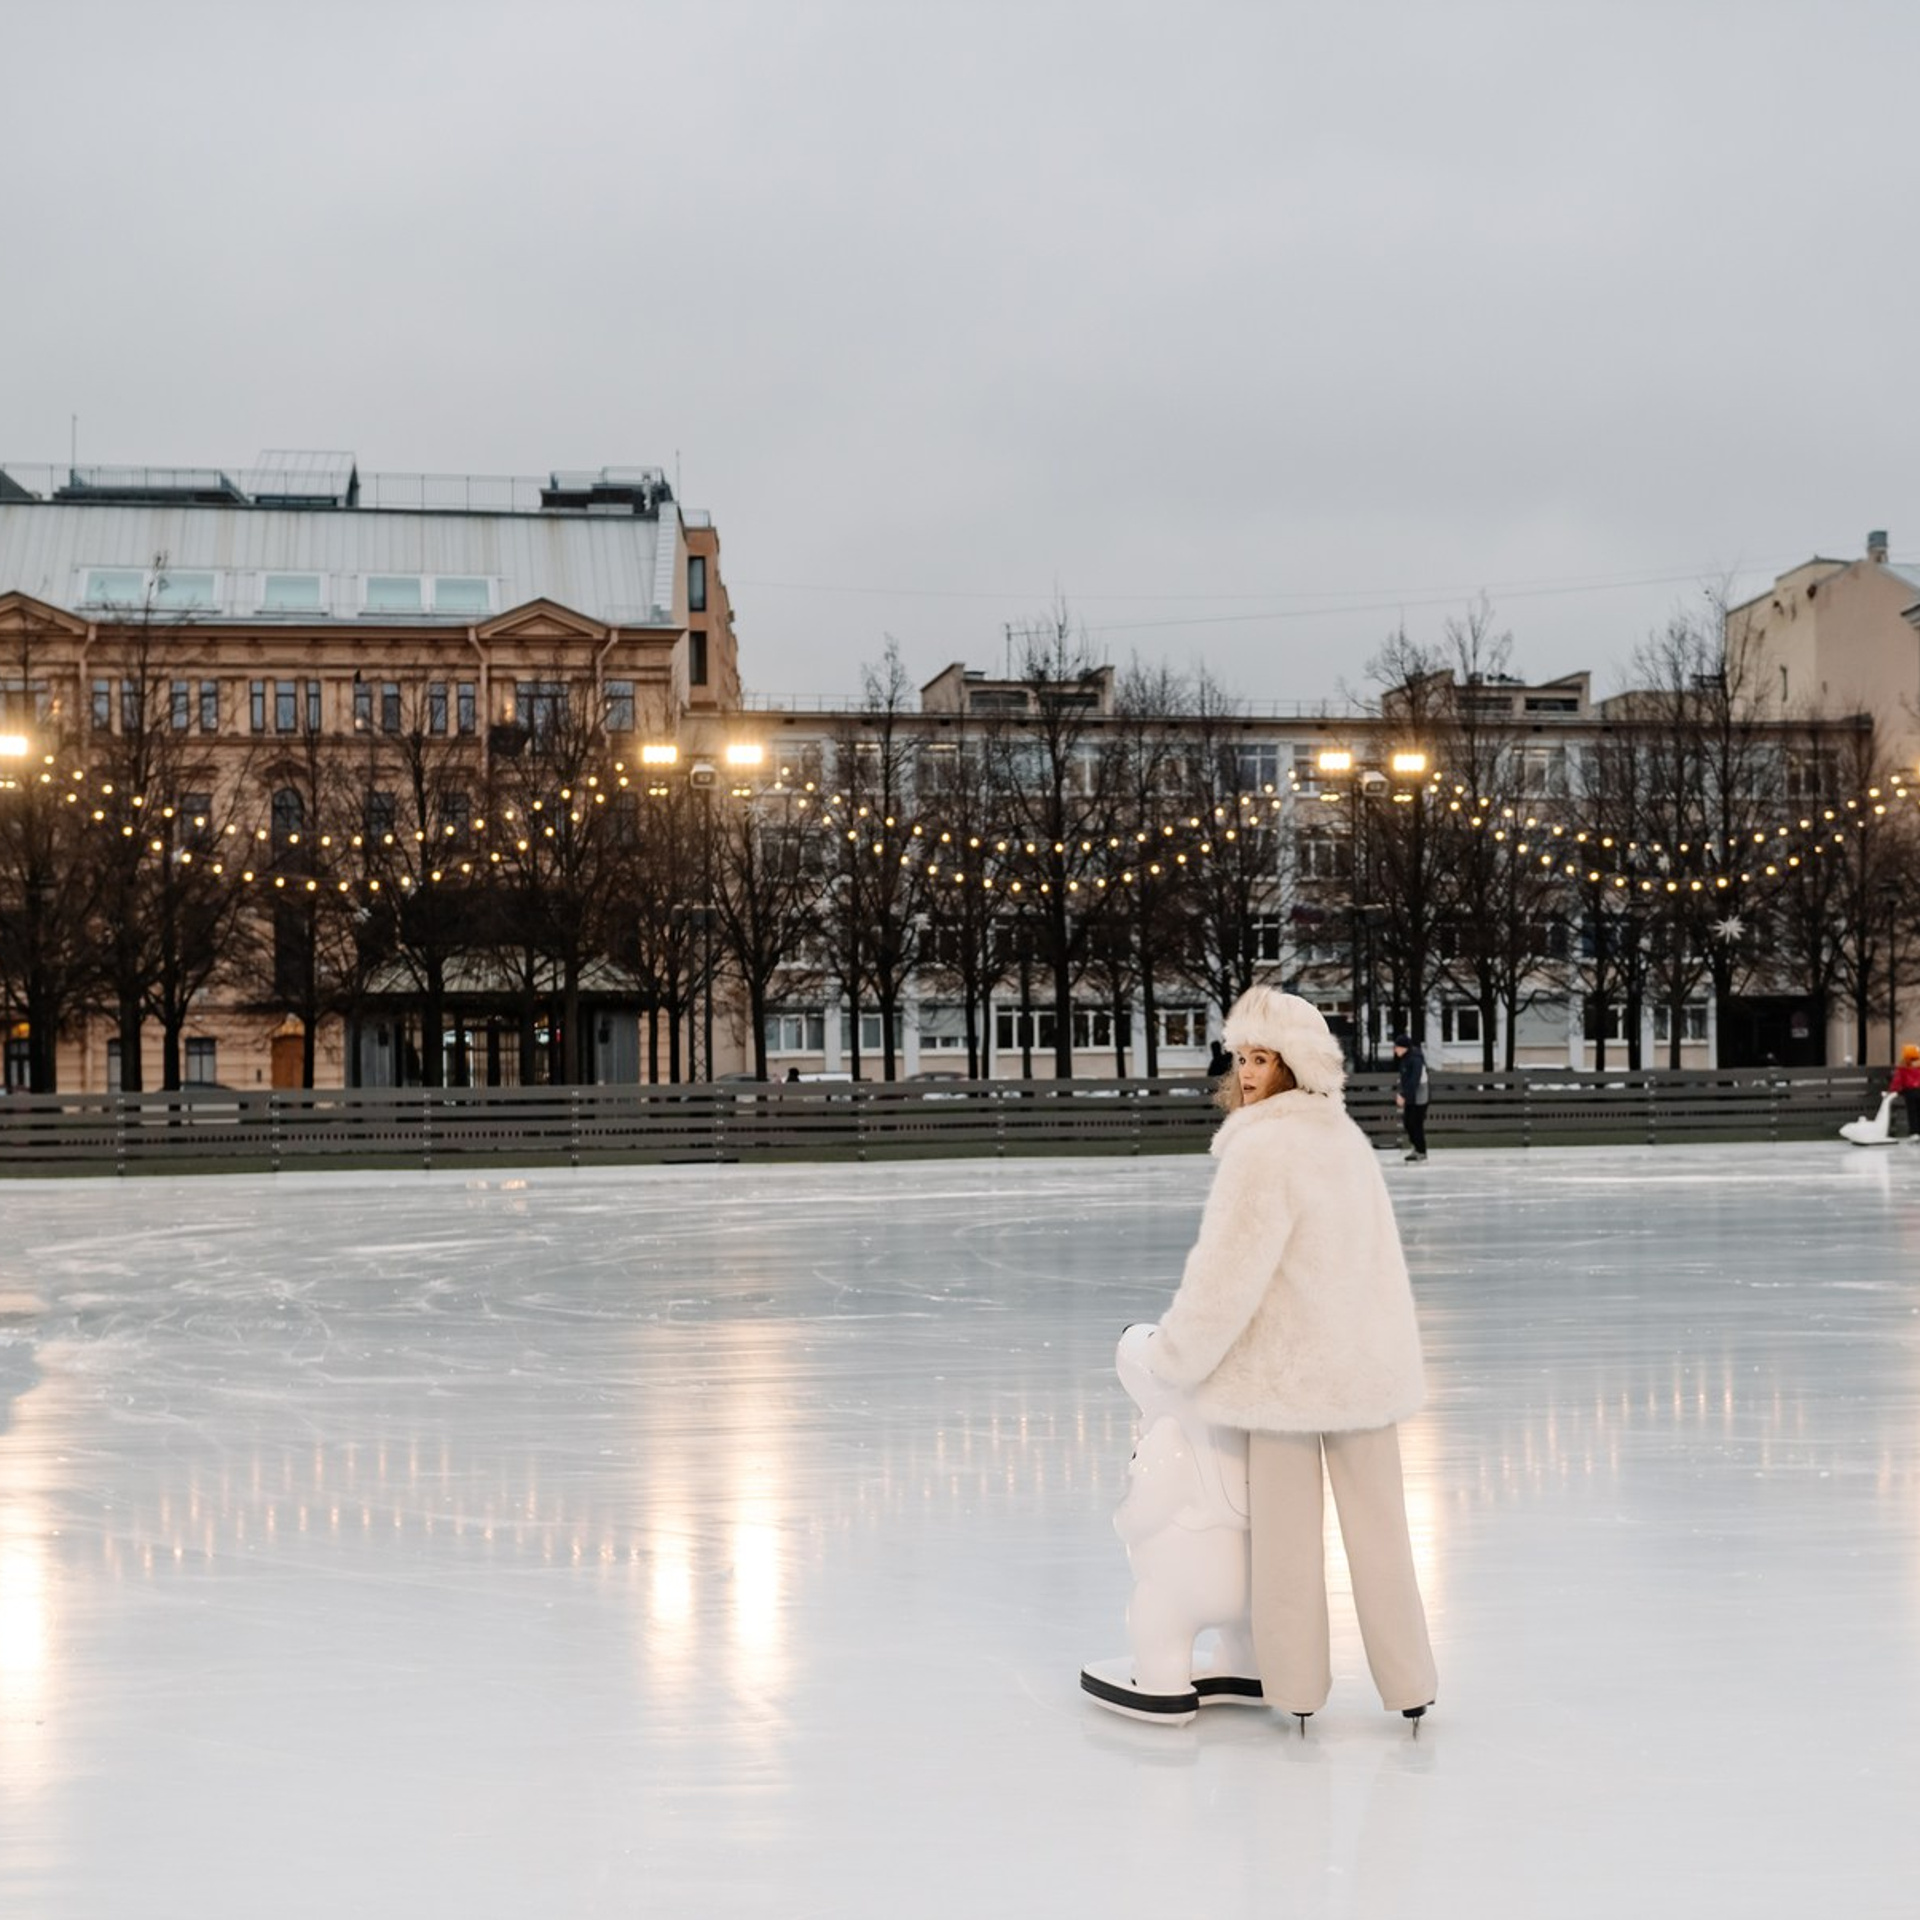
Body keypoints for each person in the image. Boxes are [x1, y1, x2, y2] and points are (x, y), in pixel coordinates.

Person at [1146, 986, 1436, 1730]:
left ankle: (1297, 1687)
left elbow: (1227, 1271)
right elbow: (1381, 1260)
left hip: (1286, 1377)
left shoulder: (1264, 1148)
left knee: (1285, 1545)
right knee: (1381, 1535)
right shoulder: (1344, 1138)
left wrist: (1174, 1353)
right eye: (1240, 1057)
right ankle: (1411, 1681)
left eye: (1261, 1059)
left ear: (1294, 1065)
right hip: (1362, 1369)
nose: (1246, 1073)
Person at [1392, 1031, 1429, 1163]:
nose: (1395, 1049)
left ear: (1404, 1048)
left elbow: (1414, 1080)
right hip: (1410, 1094)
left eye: (1396, 1047)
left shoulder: (1415, 1059)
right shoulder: (1405, 1058)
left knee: (1416, 1123)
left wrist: (1403, 1095)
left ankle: (1421, 1151)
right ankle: (1416, 1148)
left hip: (1420, 1095)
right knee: (1408, 1122)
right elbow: (1405, 1078)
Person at [1891, 1045, 1920, 1138]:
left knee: (1912, 1112)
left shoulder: (1902, 1068)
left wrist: (1893, 1090)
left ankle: (1914, 1131)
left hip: (1909, 1092)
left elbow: (1897, 1081)